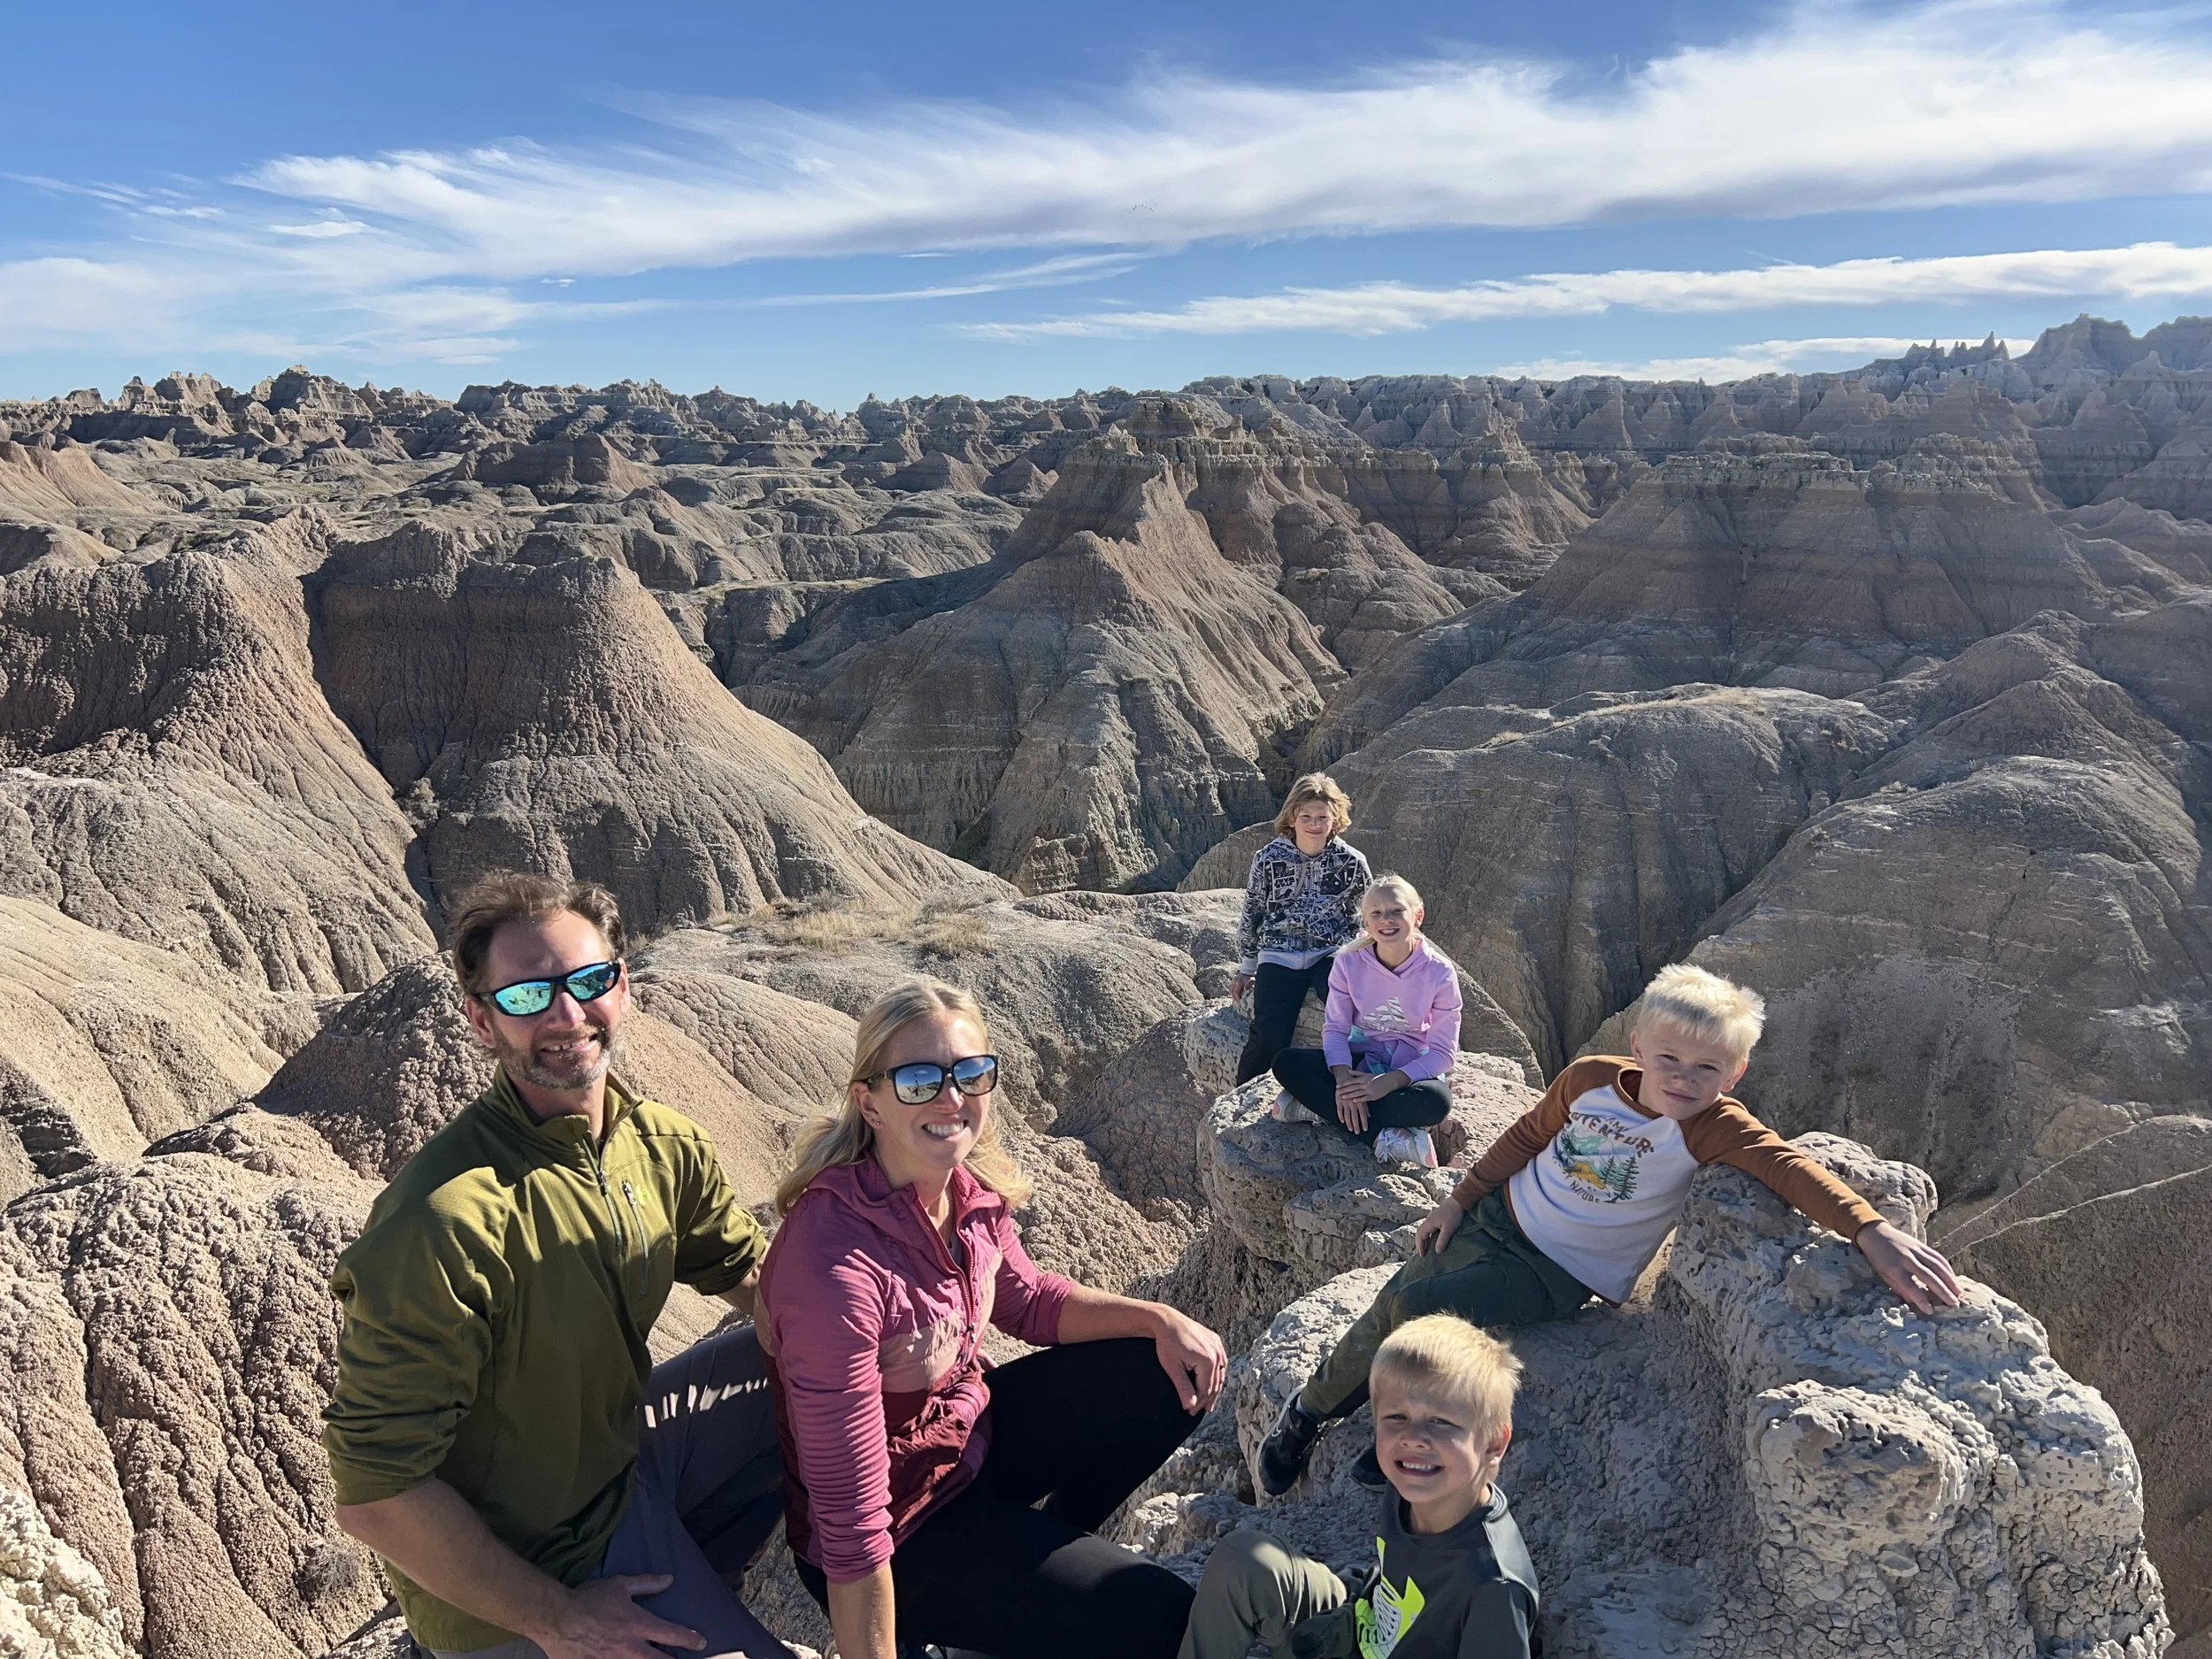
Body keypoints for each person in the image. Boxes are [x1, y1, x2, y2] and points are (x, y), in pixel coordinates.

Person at [1257, 963, 1962, 1495]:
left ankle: (1400, 1437)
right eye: (1669, 1059)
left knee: (1419, 1309)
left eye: (1707, 1067)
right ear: (1638, 1045)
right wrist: (1460, 1199)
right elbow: (1527, 1136)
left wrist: (1869, 1228)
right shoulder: (1591, 1078)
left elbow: (1790, 1168)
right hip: (1501, 1215)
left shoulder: (1714, 1126)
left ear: (1736, 1071)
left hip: (1557, 1271)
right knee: (1399, 1290)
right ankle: (1312, 1410)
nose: (1683, 1078)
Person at [324, 872, 792, 1659]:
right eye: (525, 997)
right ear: (481, 1021)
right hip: (534, 1575)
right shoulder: (447, 1222)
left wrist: (885, 1335)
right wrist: (559, 1617)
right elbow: (375, 1493)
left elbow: (747, 1269)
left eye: (588, 981)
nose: (566, 1014)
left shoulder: (658, 1143)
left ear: (623, 986)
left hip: (617, 1471)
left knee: (805, 1356)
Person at [758, 977, 1230, 1659]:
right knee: (1161, 1618)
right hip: (902, 1530)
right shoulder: (835, 1266)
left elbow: (1029, 1300)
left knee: (1163, 1371)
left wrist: (1159, 1318)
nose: (952, 1097)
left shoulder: (964, 1193)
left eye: (971, 1073)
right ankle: (1002, 1598)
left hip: (965, 1447)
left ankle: (1037, 1572)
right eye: (919, 1079)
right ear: (871, 1101)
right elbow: (853, 1522)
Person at [1183, 1315, 1536, 1659]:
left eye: (1441, 1422)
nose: (1413, 1439)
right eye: (1397, 1417)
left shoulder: (1493, 1587)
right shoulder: (1412, 1485)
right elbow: (1395, 1586)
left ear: (1493, 1444)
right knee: (1245, 1560)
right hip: (1367, 1625)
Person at [1270, 875, 1461, 1168]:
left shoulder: (1439, 972)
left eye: (1397, 910)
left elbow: (1443, 1053)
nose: (1387, 920)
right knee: (1286, 1062)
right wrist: (1344, 1080)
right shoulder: (1348, 963)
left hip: (1407, 1067)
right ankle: (1381, 1137)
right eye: (1376, 913)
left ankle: (1317, 1108)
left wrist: (1389, 1082)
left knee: (1436, 1103)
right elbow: (1335, 1029)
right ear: (1366, 923)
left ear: (1417, 916)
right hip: (1360, 1059)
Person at [1232, 773, 1372, 1087]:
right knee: (1268, 1032)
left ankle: (1359, 1088)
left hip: (1332, 952)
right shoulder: (1268, 859)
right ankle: (1242, 1099)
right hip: (1279, 954)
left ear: (1335, 818)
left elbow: (1366, 916)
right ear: (1292, 817)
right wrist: (1248, 966)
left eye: (1323, 817)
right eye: (1306, 816)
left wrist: (1369, 962)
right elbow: (1252, 910)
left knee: (1354, 1019)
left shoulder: (1351, 861)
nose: (1314, 824)